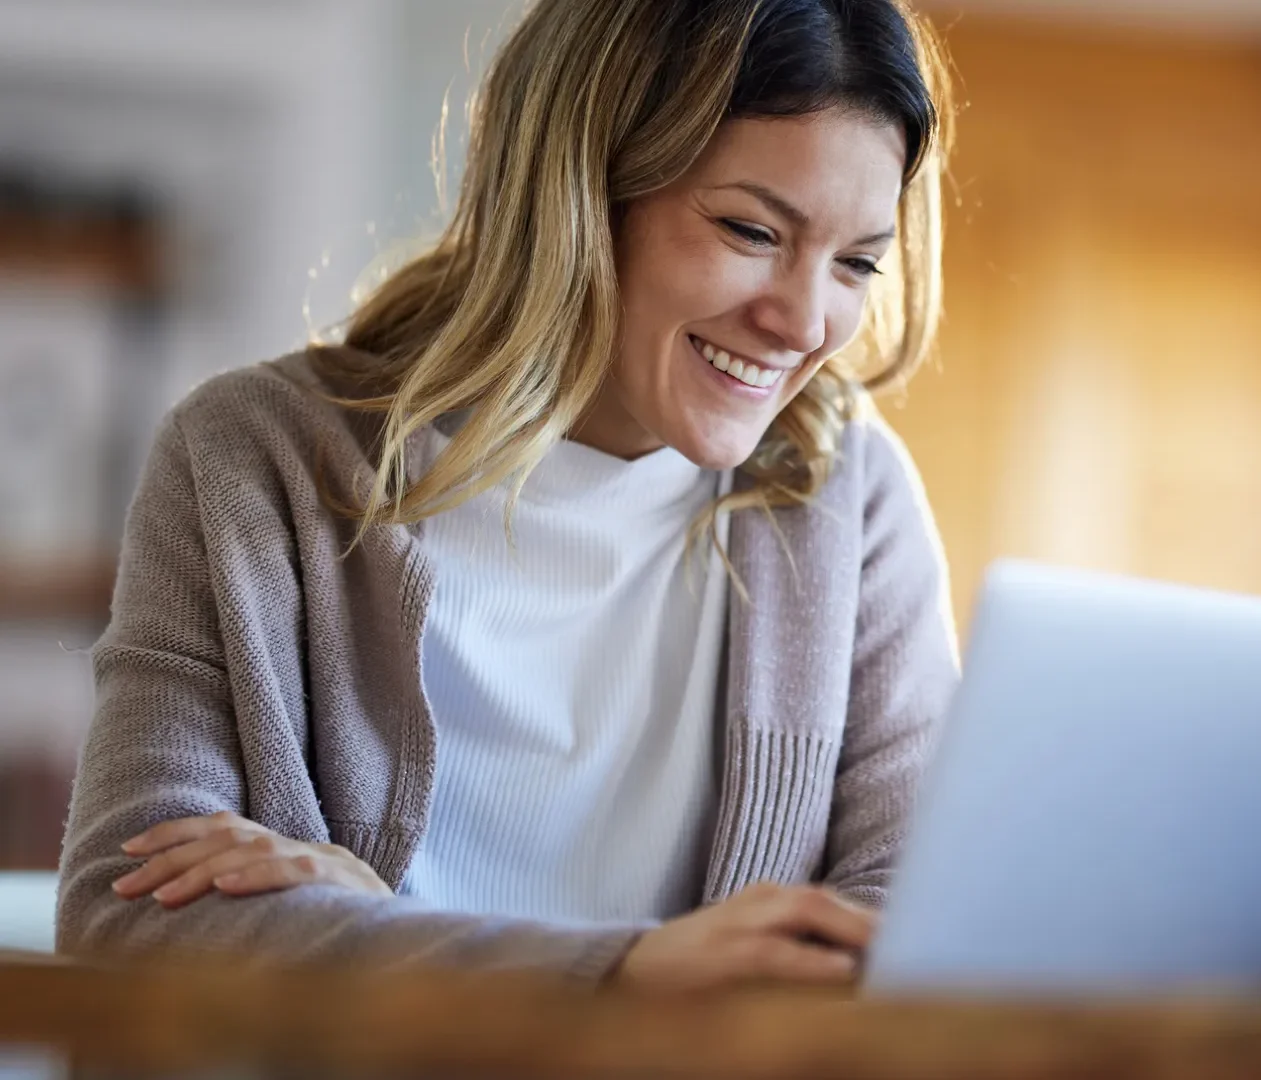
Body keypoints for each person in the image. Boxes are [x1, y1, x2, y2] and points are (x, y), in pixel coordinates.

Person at [57, 0, 957, 992]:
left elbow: (904, 941)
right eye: (750, 230)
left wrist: (362, 930)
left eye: (856, 263)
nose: (802, 319)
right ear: (576, 187)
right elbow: (127, 918)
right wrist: (622, 979)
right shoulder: (255, 461)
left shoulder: (848, 505)